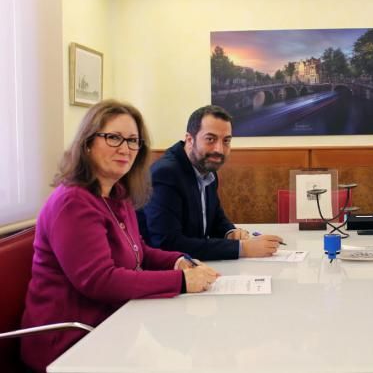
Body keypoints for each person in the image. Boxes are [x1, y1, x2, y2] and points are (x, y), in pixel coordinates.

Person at [21, 100, 220, 373]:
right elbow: (100, 281)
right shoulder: (73, 203)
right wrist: (182, 281)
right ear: (88, 142)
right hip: (69, 342)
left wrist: (179, 261)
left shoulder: (118, 194)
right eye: (113, 137)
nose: (125, 149)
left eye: (133, 141)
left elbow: (140, 252)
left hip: (114, 325)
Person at [139, 105, 282, 260]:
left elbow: (214, 217)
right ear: (189, 139)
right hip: (162, 272)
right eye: (210, 139)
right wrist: (242, 248)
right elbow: (167, 244)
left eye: (226, 141)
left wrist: (230, 232)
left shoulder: (206, 167)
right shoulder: (166, 174)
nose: (219, 149)